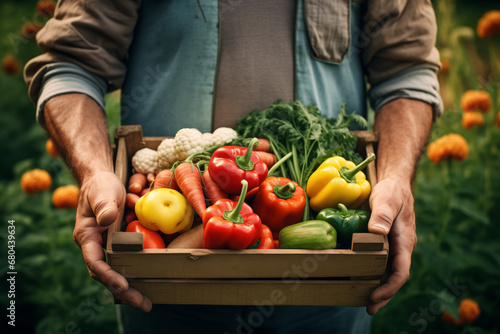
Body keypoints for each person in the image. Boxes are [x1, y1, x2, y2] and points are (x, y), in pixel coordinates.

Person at [24, 1, 442, 333]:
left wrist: (395, 177)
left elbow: (406, 71)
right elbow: (71, 63)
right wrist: (97, 171)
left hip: (330, 289)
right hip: (166, 290)